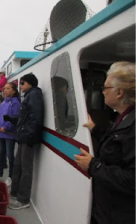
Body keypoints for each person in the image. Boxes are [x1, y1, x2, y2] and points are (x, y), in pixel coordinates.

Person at [74, 61, 135, 224]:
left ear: (120, 92)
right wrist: (95, 129)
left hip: (119, 214)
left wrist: (93, 165)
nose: (102, 92)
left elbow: (132, 180)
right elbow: (117, 145)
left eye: (105, 88)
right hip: (108, 208)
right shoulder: (124, 118)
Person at [7, 73, 44, 210]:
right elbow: (24, 118)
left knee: (26, 169)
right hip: (22, 137)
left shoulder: (33, 95)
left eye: (22, 83)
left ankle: (23, 200)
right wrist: (12, 120)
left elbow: (35, 118)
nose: (20, 86)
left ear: (29, 83)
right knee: (18, 166)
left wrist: (29, 136)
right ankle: (14, 193)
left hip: (28, 138)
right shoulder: (28, 96)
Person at [0, 82, 21, 187]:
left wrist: (6, 127)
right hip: (0, 133)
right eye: (4, 89)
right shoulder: (3, 102)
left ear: (14, 90)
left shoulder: (16, 103)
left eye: (8, 88)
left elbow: (15, 118)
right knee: (0, 154)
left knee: (10, 156)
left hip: (9, 134)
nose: (5, 90)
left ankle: (10, 177)